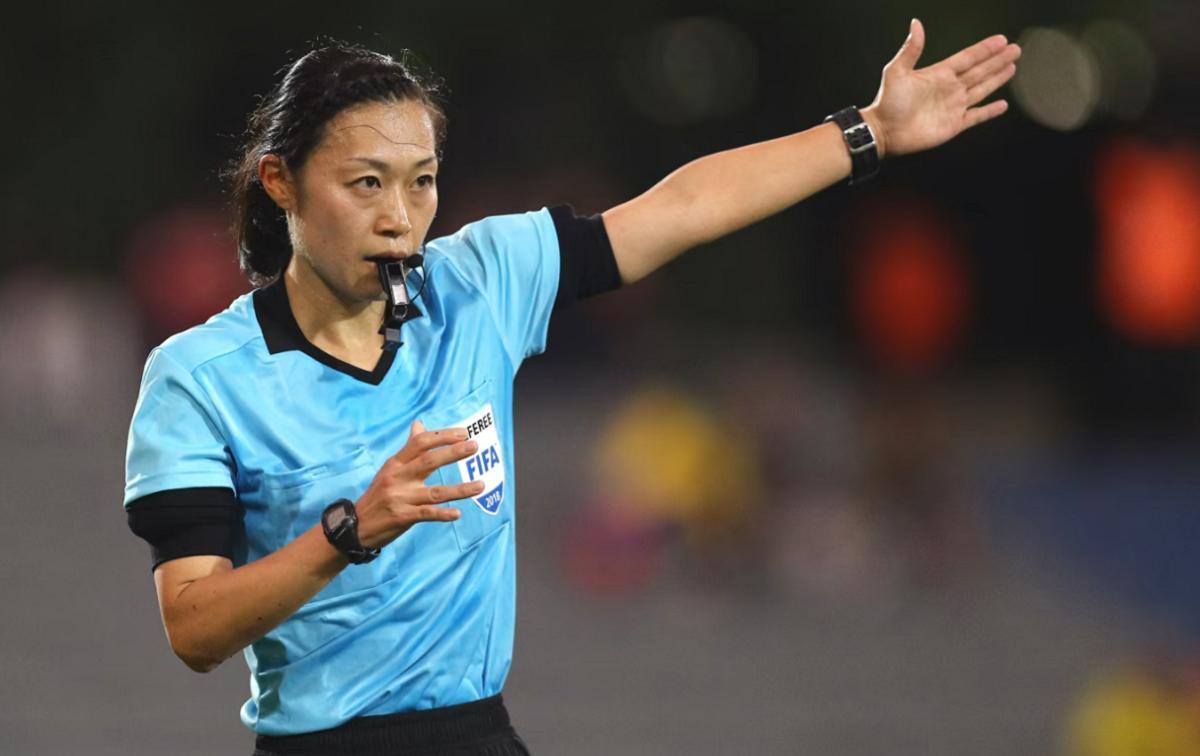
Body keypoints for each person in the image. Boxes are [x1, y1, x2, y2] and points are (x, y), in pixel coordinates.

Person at [125, 20, 1020, 755]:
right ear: (280, 181)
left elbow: (680, 208)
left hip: (480, 737)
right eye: (365, 184)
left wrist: (868, 132)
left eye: (421, 182)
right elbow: (195, 629)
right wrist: (351, 530)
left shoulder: (478, 284)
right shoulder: (200, 378)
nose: (399, 216)